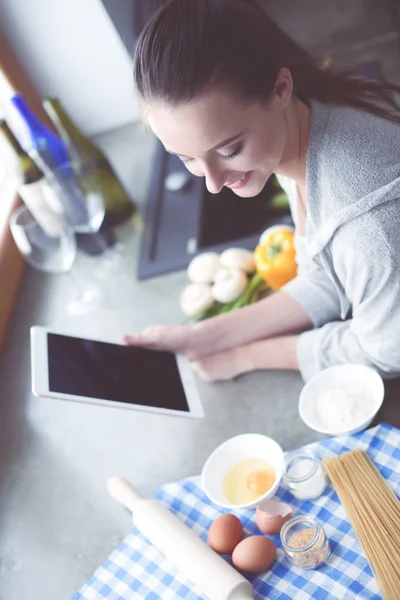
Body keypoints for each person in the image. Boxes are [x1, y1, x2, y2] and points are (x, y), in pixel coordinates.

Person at [125, 0, 400, 383]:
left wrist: (246, 357)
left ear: (280, 88)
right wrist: (200, 337)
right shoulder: (304, 121)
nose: (213, 182)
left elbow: (383, 353)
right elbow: (327, 277)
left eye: (228, 150)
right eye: (185, 158)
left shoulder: (368, 225)